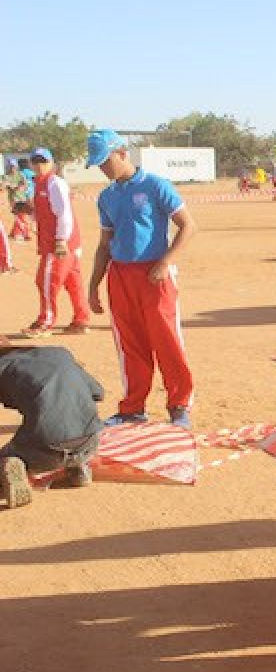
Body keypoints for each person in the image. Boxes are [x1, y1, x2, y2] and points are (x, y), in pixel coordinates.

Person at [85, 129, 198, 429]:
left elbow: (188, 226)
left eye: (105, 161)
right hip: (120, 277)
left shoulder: (155, 186)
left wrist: (165, 262)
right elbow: (104, 244)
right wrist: (94, 284)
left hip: (154, 276)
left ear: (122, 153)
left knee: (167, 341)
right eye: (98, 164)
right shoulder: (107, 197)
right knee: (130, 344)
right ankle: (133, 407)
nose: (103, 169)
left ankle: (179, 405)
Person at [0, 343, 104, 509]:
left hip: (45, 449)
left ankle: (14, 464)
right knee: (67, 426)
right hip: (91, 441)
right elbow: (98, 393)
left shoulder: (4, 366)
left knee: (8, 457)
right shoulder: (59, 353)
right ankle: (79, 468)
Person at [26, 148, 90, 337]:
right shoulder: (39, 184)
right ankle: (81, 320)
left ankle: (45, 322)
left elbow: (64, 214)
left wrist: (61, 240)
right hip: (63, 243)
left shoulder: (54, 183)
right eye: (35, 161)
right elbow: (45, 215)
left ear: (51, 163)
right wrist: (28, 211)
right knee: (73, 282)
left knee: (45, 281)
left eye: (43, 161)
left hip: (60, 244)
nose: (39, 165)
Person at [6, 158, 34, 241]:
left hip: (23, 198)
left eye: (14, 166)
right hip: (13, 200)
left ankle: (13, 233)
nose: (12, 168)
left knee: (22, 216)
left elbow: (25, 185)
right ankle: (26, 234)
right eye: (11, 166)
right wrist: (11, 186)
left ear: (16, 166)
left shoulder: (21, 175)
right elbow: (5, 185)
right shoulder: (6, 176)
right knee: (20, 217)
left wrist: (21, 187)